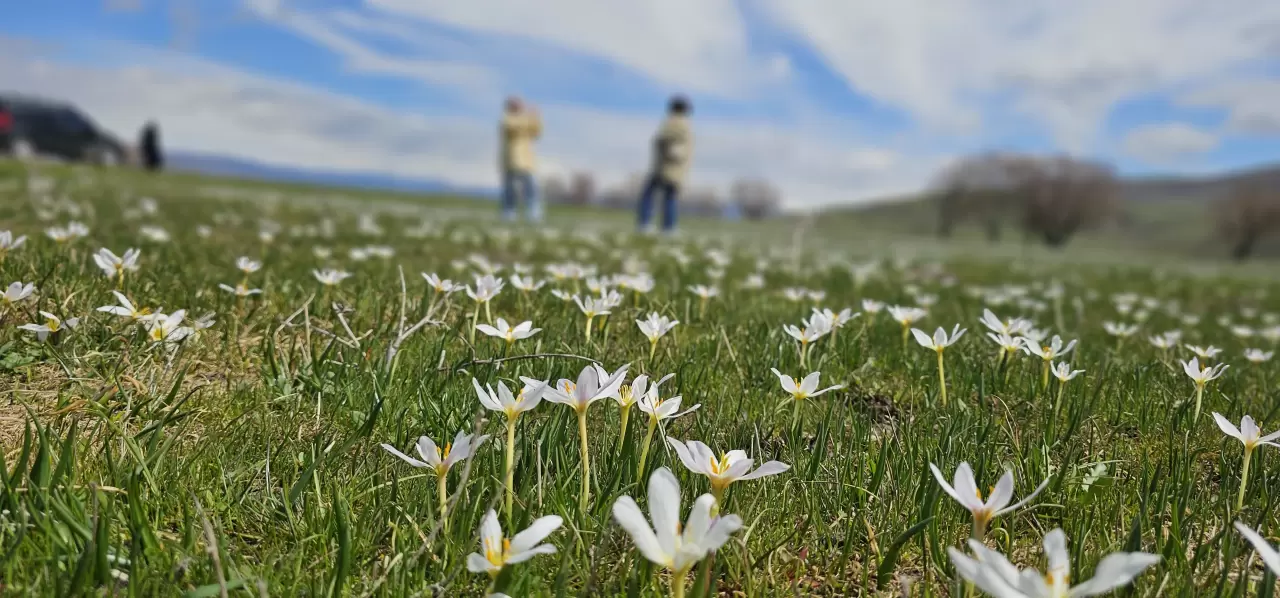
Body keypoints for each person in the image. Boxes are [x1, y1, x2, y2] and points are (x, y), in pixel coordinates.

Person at [637, 96, 693, 234]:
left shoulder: (673, 122)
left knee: (649, 195)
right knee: (669, 197)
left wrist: (662, 148)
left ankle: (645, 224)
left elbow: (663, 139)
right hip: (676, 169)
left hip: (665, 165)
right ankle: (668, 227)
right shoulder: (686, 124)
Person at [499, 97, 543, 222]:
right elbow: (512, 128)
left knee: (532, 188)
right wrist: (528, 117)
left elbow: (536, 132)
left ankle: (533, 214)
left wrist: (535, 117)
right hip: (511, 160)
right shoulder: (507, 118)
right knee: (510, 189)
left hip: (527, 161)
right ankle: (508, 213)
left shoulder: (525, 120)